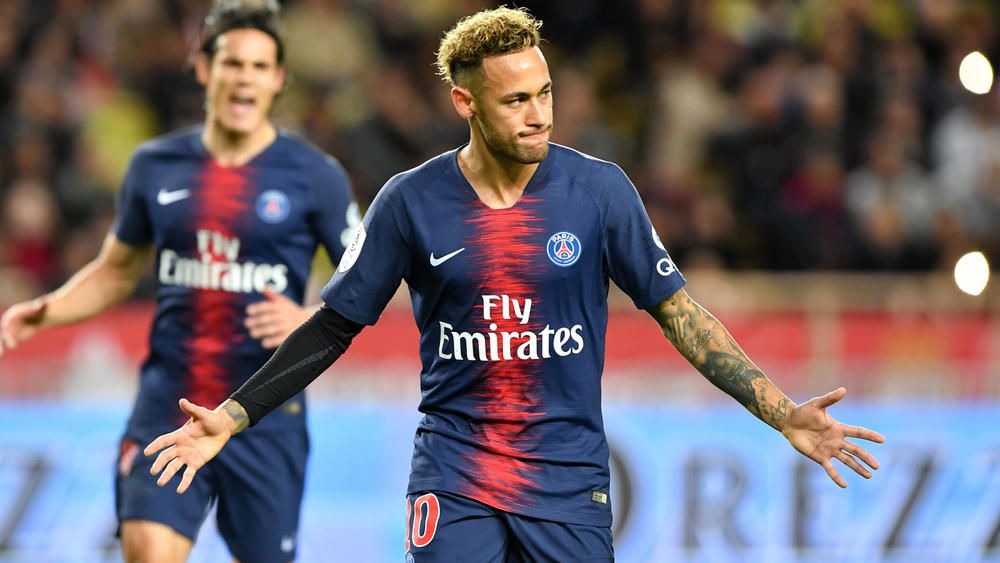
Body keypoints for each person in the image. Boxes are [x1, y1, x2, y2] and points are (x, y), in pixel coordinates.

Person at [142, 7, 884, 562]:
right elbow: (334, 325)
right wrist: (235, 416)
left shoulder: (599, 192)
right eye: (516, 101)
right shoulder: (410, 201)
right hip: (455, 472)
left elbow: (680, 313)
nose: (540, 115)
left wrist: (780, 410)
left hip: (569, 483)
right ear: (466, 103)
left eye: (545, 92)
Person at [0, 1, 357, 562]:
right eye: (232, 62)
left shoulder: (316, 176)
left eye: (260, 66)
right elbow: (116, 270)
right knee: (148, 549)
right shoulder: (155, 165)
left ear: (279, 80)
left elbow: (369, 286)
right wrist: (49, 307)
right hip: (171, 402)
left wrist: (309, 316)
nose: (244, 77)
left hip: (263, 415)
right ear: (202, 69)